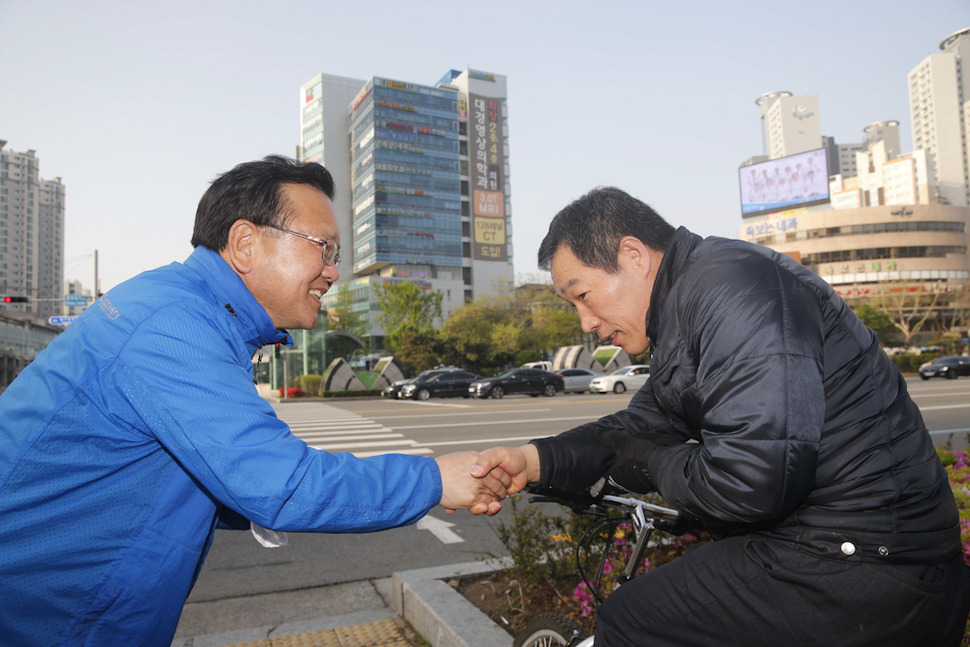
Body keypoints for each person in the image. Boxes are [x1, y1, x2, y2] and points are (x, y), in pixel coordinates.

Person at [0, 156, 509, 646]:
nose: (333, 273)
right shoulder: (174, 326)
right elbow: (280, 484)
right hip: (45, 619)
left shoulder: (187, 311)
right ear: (244, 243)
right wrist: (437, 479)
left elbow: (178, 477)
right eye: (324, 249)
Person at [473, 186, 970, 646]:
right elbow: (634, 429)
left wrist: (651, 464)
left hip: (868, 562)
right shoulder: (691, 305)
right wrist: (531, 460)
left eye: (583, 296)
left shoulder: (733, 289)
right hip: (852, 549)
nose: (587, 323)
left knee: (630, 619)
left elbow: (750, 483)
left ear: (632, 254)